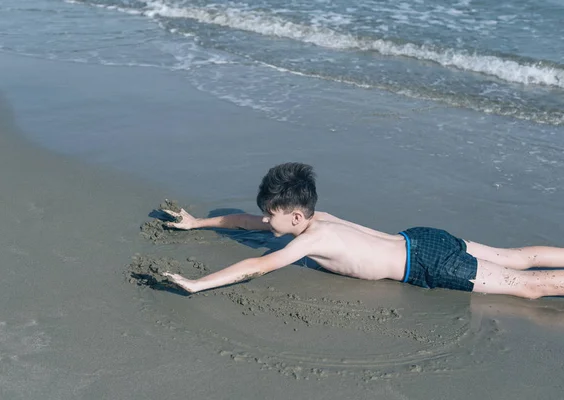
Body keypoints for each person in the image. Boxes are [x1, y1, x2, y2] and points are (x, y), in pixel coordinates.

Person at [161, 162, 564, 299]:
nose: (265, 221)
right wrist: (198, 222)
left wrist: (198, 284)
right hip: (423, 237)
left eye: (272, 215)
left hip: (427, 262)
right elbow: (246, 222)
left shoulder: (312, 240)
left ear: (296, 218)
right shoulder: (319, 218)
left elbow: (259, 265)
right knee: (518, 257)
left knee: (528, 286)